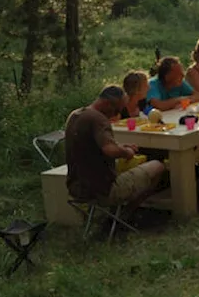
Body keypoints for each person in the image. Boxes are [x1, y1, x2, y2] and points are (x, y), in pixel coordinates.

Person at [64, 85, 166, 214]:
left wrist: (121, 146)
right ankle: (127, 214)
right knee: (158, 166)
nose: (118, 114)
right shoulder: (99, 119)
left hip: (76, 188)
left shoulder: (75, 115)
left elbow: (95, 146)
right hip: (104, 191)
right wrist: (127, 152)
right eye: (118, 109)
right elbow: (110, 150)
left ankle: (117, 215)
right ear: (107, 104)